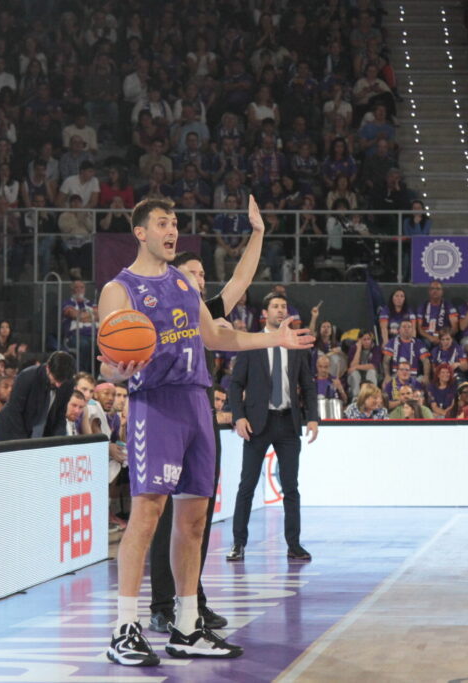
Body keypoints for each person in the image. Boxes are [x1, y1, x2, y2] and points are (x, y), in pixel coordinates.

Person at [96, 198, 312, 667]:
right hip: (156, 404)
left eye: (175, 223)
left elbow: (215, 336)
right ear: (140, 232)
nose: (172, 230)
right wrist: (116, 372)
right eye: (162, 223)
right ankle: (124, 628)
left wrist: (273, 339)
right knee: (147, 514)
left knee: (194, 521)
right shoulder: (119, 289)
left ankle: (187, 626)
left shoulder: (181, 282)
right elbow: (109, 363)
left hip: (196, 402)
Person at [149, 197, 267, 635]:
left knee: (196, 515)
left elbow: (241, 279)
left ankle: (192, 600)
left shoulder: (206, 312)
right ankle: (162, 605)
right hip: (165, 412)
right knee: (165, 517)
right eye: (193, 273)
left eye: (202, 274)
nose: (201, 279)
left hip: (202, 414)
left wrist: (258, 233)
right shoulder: (160, 310)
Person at [227, 289, 320, 558]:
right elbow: (235, 384)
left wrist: (313, 417)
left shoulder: (296, 345)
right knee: (247, 485)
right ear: (265, 313)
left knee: (291, 487)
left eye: (283, 306)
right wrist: (238, 416)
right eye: (275, 306)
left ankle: (294, 544)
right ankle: (238, 543)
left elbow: (308, 385)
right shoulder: (252, 343)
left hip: (288, 422)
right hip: (257, 424)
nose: (280, 310)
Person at [0, 352, 76, 441]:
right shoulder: (27, 377)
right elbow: (15, 412)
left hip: (40, 432)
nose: (58, 385)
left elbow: (60, 414)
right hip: (10, 431)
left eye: (61, 381)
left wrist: (57, 440)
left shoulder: (68, 382)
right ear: (48, 368)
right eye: (55, 379)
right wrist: (24, 444)